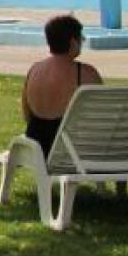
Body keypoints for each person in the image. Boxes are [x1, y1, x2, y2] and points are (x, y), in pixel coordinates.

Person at [21, 14, 102, 157]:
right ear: (73, 42)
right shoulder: (86, 74)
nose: (82, 40)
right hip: (72, 150)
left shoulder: (34, 70)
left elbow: (27, 114)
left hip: (38, 148)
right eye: (81, 37)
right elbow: (100, 117)